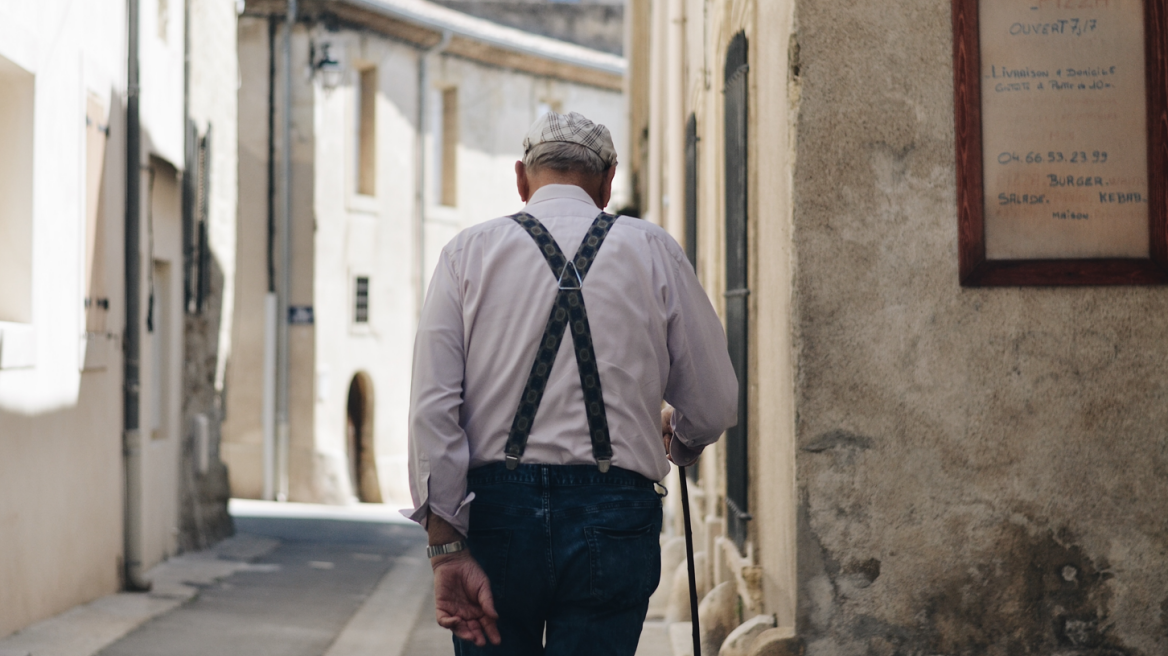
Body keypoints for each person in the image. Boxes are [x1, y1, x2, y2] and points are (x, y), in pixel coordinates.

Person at [405, 111, 738, 655]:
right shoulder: (653, 249)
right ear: (608, 182)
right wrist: (679, 438)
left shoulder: (467, 253)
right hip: (615, 515)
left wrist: (446, 549)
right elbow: (715, 402)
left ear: (521, 178)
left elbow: (432, 409)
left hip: (496, 517)